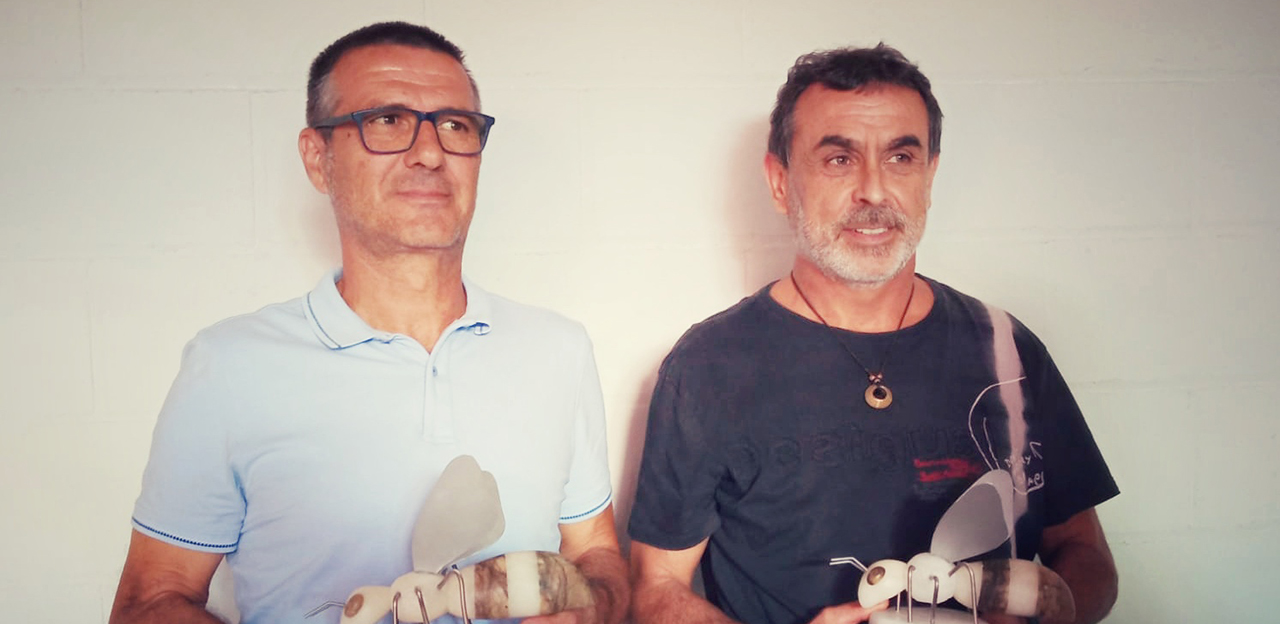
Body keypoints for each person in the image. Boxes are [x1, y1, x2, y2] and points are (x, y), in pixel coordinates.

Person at [109, 21, 628, 624]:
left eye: (455, 125)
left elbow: (596, 554)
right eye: (387, 120)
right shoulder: (228, 365)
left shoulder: (559, 350)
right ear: (318, 159)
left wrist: (596, 608)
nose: (430, 152)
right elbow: (150, 600)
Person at [628, 44, 1119, 624]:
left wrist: (1046, 616)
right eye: (839, 159)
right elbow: (656, 588)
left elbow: (1086, 555)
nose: (874, 191)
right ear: (780, 182)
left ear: (929, 176)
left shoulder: (1006, 348)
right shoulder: (709, 367)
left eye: (900, 157)